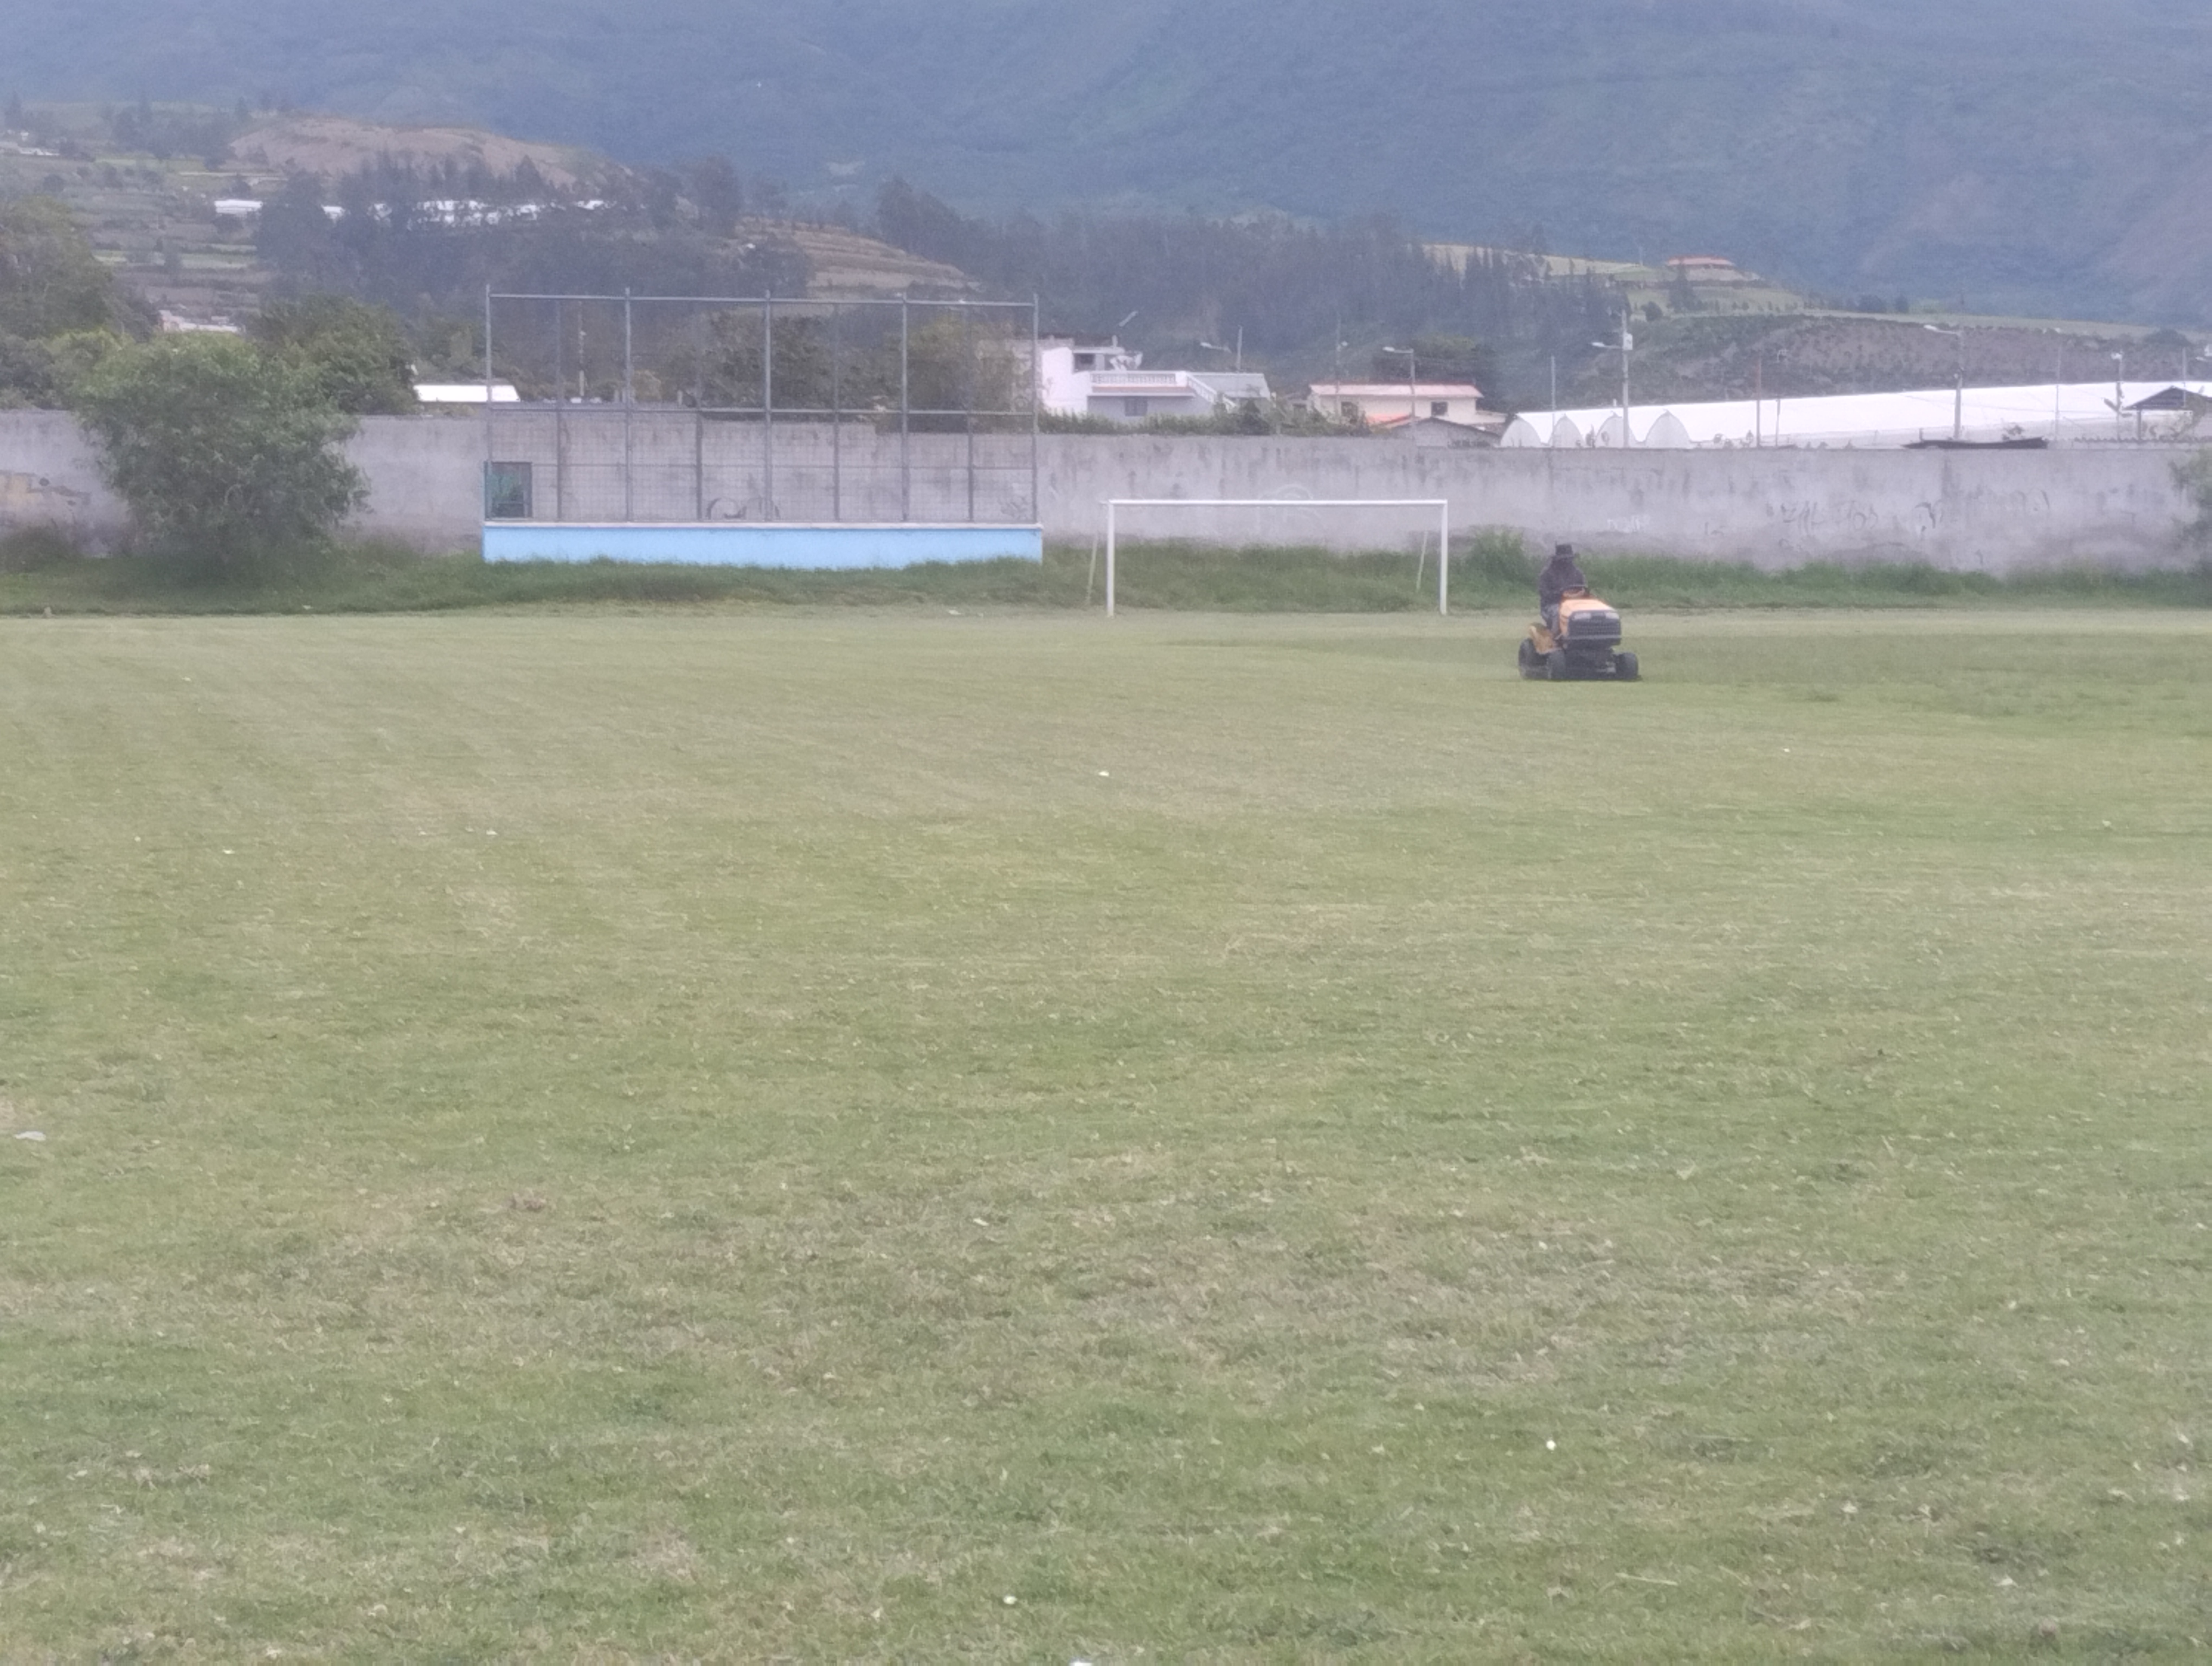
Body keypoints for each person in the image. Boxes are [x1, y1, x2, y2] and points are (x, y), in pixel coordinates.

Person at [1538, 542, 1586, 632]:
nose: (1567, 562)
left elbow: (1584, 589)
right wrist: (1562, 595)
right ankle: (1555, 636)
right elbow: (1545, 595)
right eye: (1564, 559)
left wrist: (1582, 594)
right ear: (1558, 559)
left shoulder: (1578, 574)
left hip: (1575, 604)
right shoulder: (1547, 574)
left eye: (1569, 559)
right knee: (1559, 612)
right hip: (1552, 605)